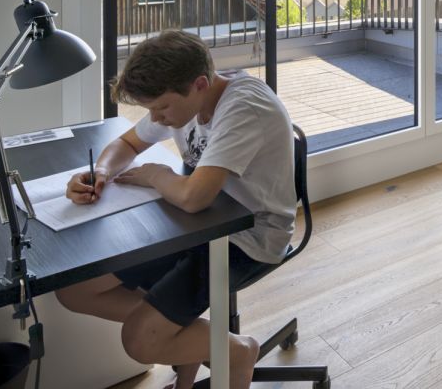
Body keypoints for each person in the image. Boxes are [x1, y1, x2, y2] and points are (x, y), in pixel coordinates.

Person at [55, 30, 296, 389]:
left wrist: (157, 174)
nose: (157, 118)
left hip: (248, 239)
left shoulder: (243, 107)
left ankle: (236, 352)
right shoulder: (182, 101)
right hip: (197, 227)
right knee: (75, 288)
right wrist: (101, 172)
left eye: (161, 108)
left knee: (140, 341)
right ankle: (187, 339)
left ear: (200, 84)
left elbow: (193, 196)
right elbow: (127, 142)